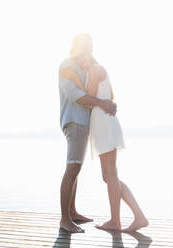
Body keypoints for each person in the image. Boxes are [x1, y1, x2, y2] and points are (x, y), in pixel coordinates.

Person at [68, 46, 149, 232]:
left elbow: (88, 97)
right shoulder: (96, 70)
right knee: (109, 175)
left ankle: (116, 221)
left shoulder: (96, 70)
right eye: (77, 59)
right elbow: (108, 96)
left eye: (82, 56)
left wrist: (74, 82)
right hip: (103, 123)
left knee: (110, 174)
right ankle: (139, 216)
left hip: (104, 123)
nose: (80, 61)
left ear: (89, 54)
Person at [58, 34, 117, 233]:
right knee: (72, 169)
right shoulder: (67, 66)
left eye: (92, 48)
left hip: (83, 123)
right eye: (88, 47)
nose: (91, 51)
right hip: (74, 122)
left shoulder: (84, 66)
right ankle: (65, 220)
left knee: (76, 169)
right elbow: (75, 96)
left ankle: (72, 212)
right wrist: (102, 104)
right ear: (78, 46)